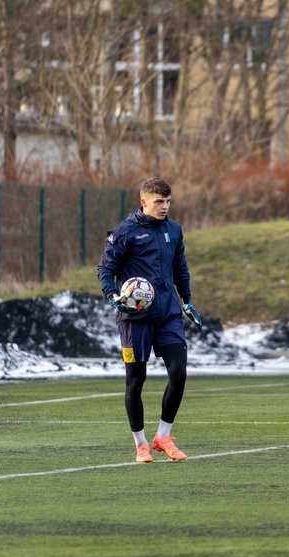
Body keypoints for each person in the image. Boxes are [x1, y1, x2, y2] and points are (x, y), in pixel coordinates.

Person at [97, 177, 202, 463]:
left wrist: (187, 300)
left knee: (178, 372)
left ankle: (163, 437)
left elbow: (180, 266)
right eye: (159, 202)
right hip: (134, 319)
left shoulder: (173, 230)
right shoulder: (124, 232)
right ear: (144, 202)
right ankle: (141, 444)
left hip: (168, 314)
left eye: (168, 201)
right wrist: (112, 296)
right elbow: (105, 269)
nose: (165, 207)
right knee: (136, 380)